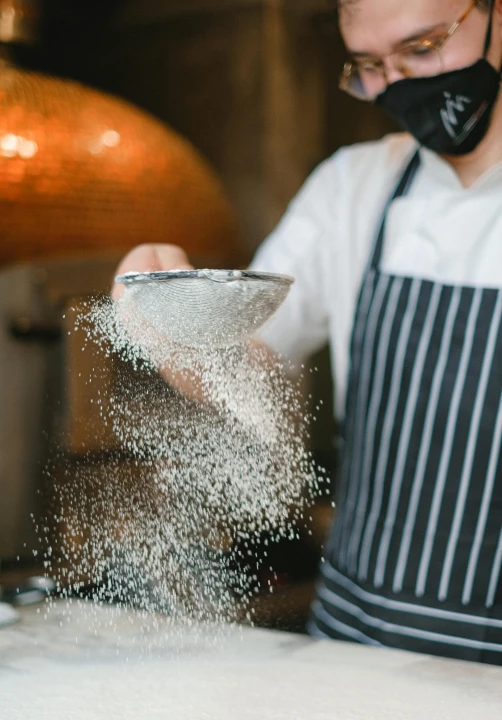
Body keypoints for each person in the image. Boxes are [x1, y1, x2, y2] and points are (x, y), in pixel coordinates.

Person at [113, 0, 502, 665]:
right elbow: (238, 367)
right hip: (353, 645)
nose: (398, 84)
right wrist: (171, 322)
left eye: (423, 48)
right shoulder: (351, 190)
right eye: (370, 66)